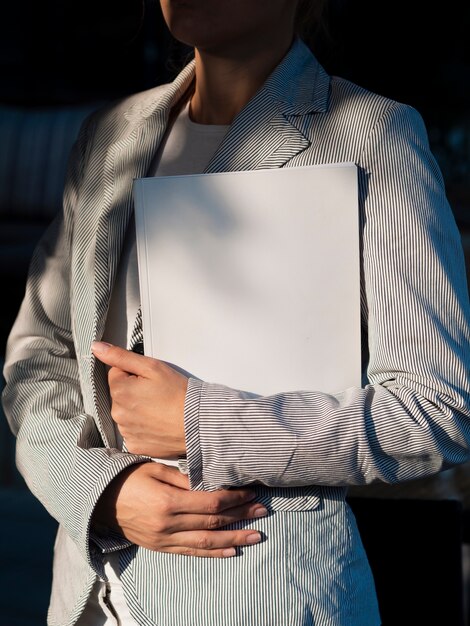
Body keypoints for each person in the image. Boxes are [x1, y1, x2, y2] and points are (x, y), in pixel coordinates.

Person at [3, 0, 470, 624]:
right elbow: (37, 364)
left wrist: (201, 423)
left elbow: (436, 409)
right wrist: (99, 491)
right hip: (89, 599)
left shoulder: (374, 136)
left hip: (265, 598)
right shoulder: (108, 135)